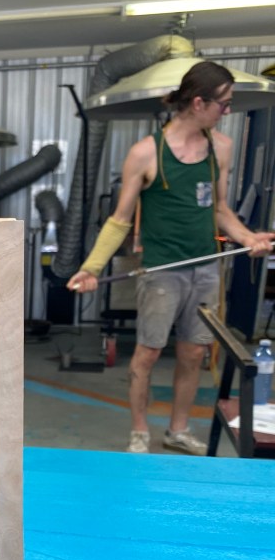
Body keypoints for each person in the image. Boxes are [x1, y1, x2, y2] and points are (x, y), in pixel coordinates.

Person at [67, 60, 275, 455]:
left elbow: (220, 210)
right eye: (223, 104)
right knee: (146, 354)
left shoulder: (221, 147)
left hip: (206, 269)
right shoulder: (147, 153)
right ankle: (140, 432)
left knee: (193, 353)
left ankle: (177, 430)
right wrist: (90, 268)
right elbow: (119, 220)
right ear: (198, 103)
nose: (227, 111)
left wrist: (249, 238)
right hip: (162, 273)